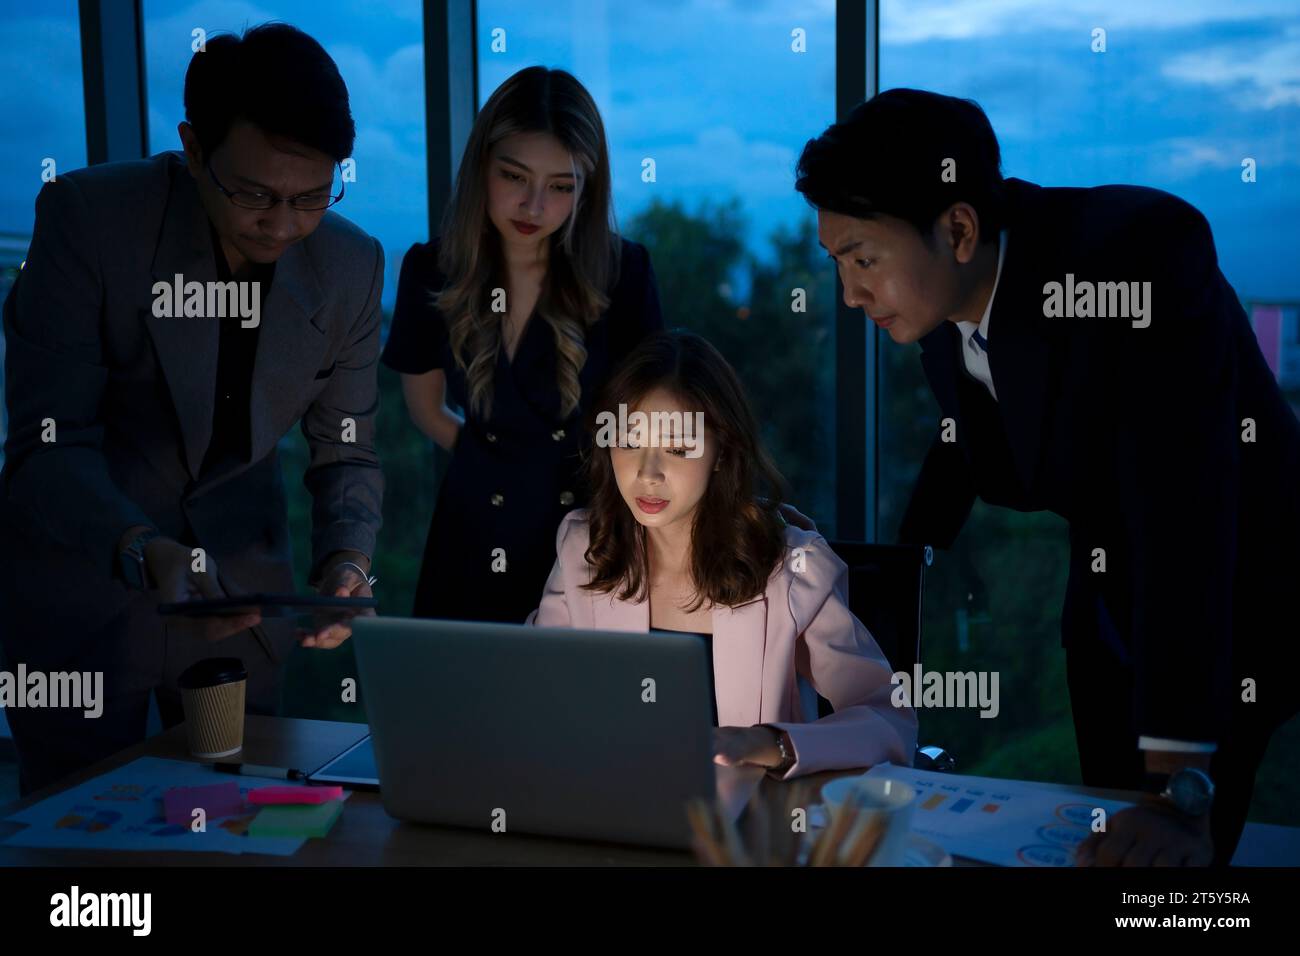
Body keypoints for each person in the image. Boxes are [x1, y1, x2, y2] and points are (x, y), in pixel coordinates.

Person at [795, 87, 1300, 863]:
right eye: (836, 263)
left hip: (1234, 603)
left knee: (1177, 864)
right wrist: (864, 580)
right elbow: (965, 439)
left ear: (958, 228)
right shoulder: (944, 300)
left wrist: (1178, 790)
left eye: (862, 258)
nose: (850, 292)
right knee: (1107, 845)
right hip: (1106, 598)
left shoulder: (1139, 257)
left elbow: (1184, 519)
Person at [0, 24, 383, 796]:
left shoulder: (350, 264)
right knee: (75, 834)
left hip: (244, 599)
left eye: (311, 196)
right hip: (85, 590)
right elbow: (47, 443)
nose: (281, 224)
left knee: (241, 818)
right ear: (193, 147)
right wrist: (142, 550)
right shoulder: (89, 218)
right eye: (254, 195)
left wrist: (347, 560)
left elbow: (345, 450)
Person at [527, 331, 916, 778]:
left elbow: (892, 719)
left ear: (720, 452)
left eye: (677, 448)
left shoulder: (791, 568)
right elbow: (539, 690)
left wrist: (773, 744)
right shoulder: (584, 548)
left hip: (748, 827)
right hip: (616, 804)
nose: (647, 474)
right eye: (630, 442)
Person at [383, 66, 663, 624]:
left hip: (587, 537)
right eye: (515, 177)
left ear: (587, 187)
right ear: (481, 166)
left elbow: (648, 420)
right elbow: (423, 407)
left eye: (561, 186)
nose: (534, 207)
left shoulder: (623, 272)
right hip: (471, 530)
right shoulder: (431, 270)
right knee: (463, 700)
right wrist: (487, 458)